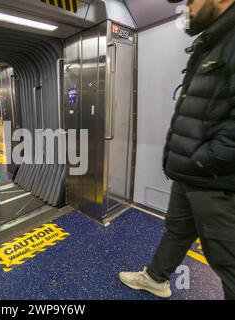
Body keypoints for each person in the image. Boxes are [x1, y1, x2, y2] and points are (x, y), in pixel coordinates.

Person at [119, 0, 235, 300]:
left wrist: (200, 161)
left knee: (228, 260)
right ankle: (156, 278)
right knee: (177, 230)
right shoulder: (212, 42)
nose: (187, 7)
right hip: (192, 174)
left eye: (191, 1)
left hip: (216, 181)